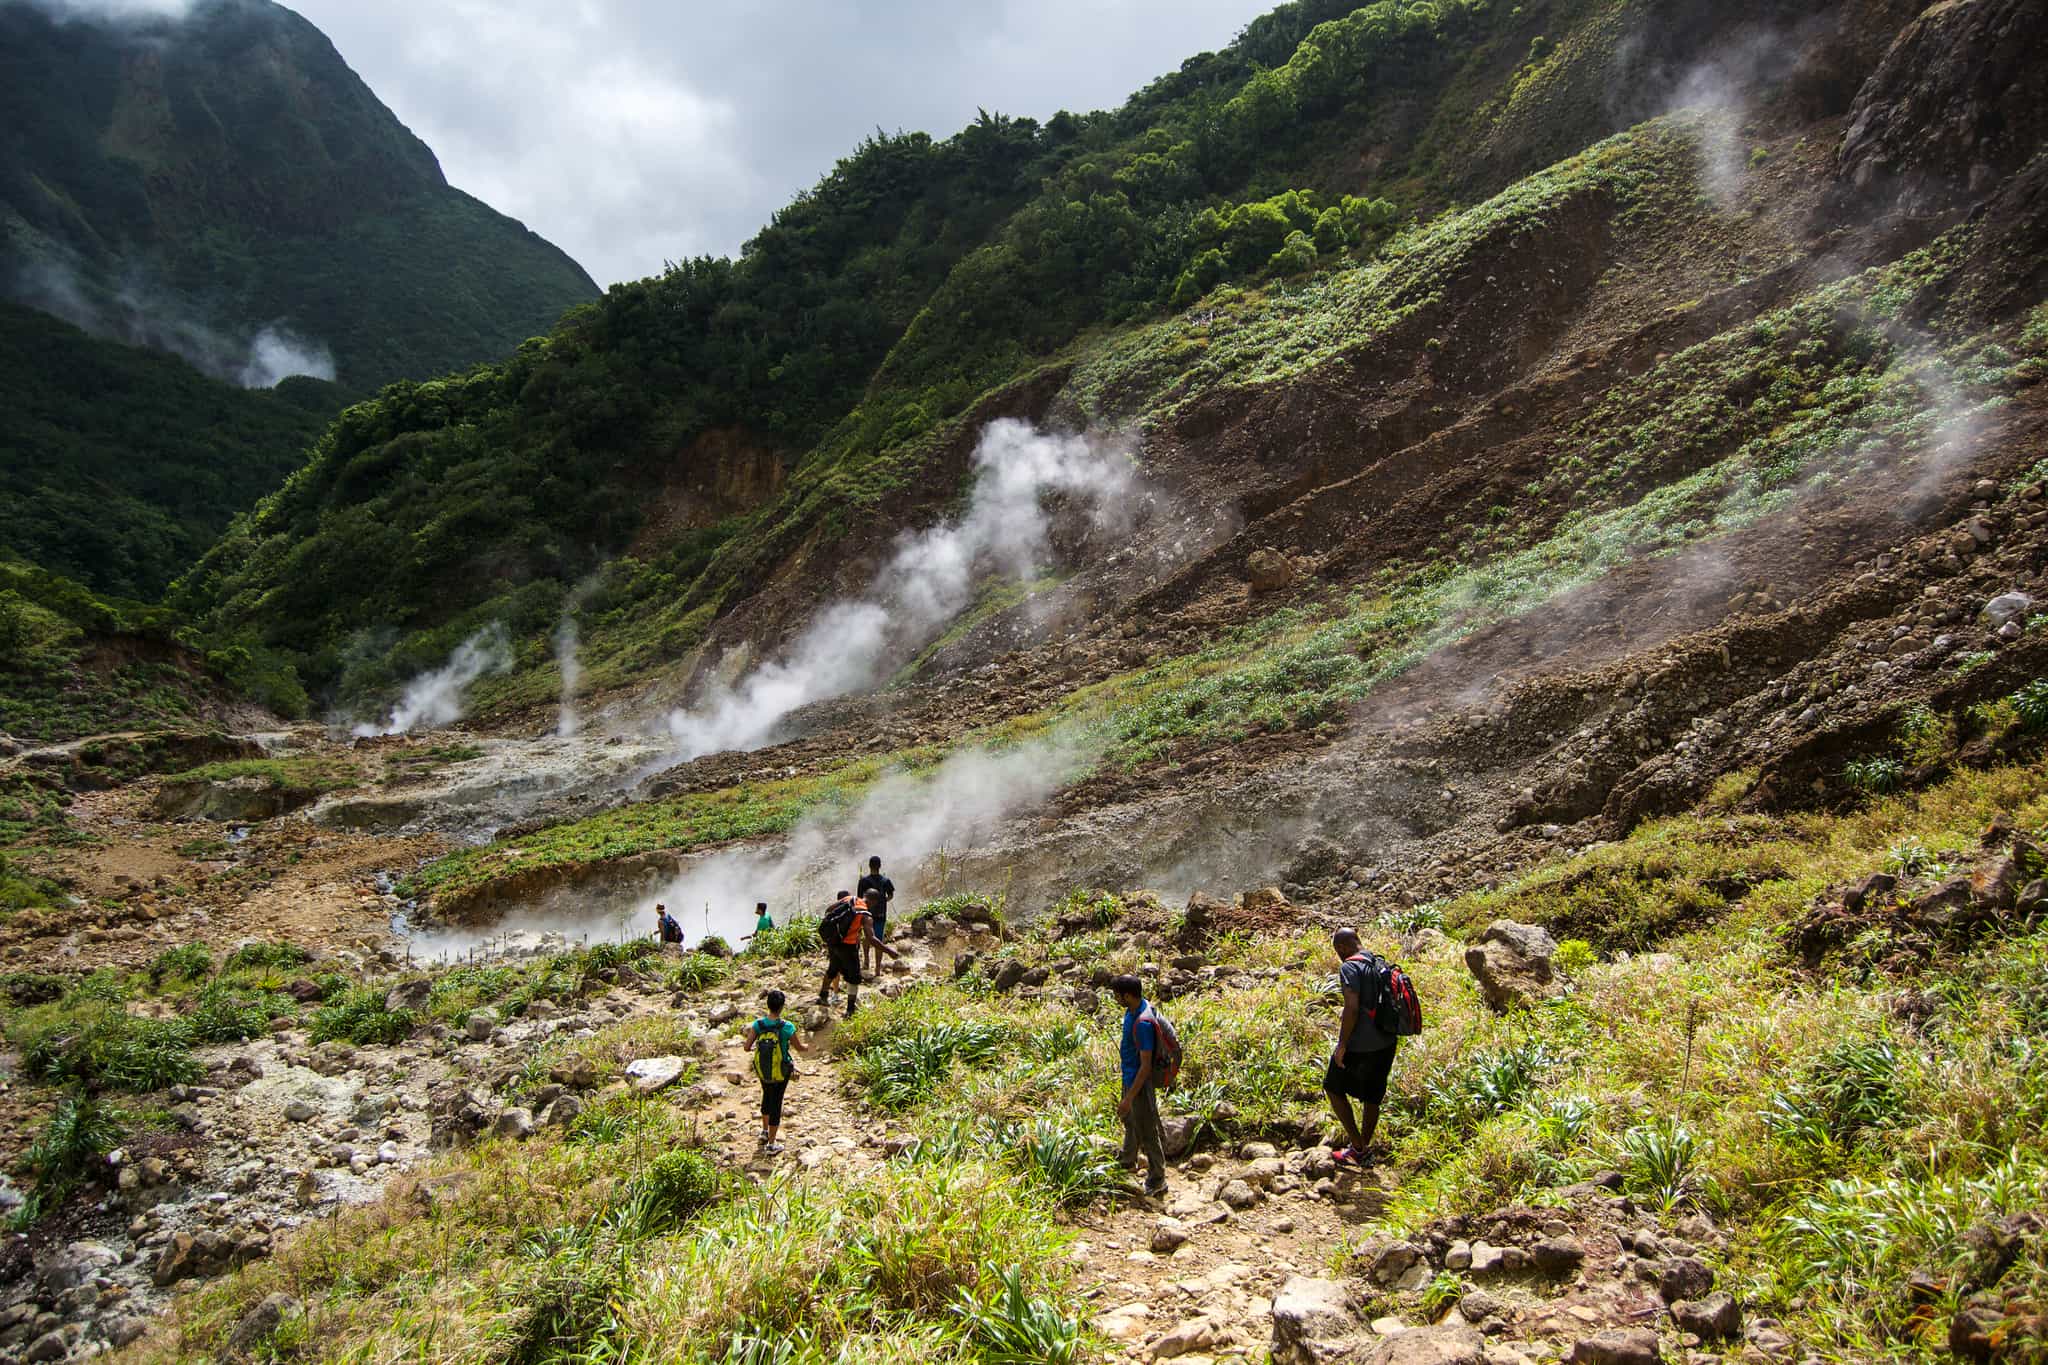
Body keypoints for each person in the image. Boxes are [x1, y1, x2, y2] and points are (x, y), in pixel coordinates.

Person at [1325, 927, 1398, 1166]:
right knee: (1373, 1096)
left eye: (1338, 951)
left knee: (1333, 1087)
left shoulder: (1349, 967)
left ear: (1343, 947)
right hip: (1386, 1041)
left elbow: (1352, 1008)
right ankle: (1363, 1149)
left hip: (1361, 1043)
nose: (1338, 955)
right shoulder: (1378, 962)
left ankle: (1357, 1145)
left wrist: (1342, 1045)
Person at [1109, 974, 1168, 1198]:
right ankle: (1127, 1160)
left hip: (1139, 1083)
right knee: (1131, 1121)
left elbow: (1145, 1066)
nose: (1115, 999)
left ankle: (1157, 1178)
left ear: (1127, 995)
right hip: (1130, 1077)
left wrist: (1129, 1097)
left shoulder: (1143, 1023)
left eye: (1117, 995)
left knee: (1147, 1129)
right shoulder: (1134, 1010)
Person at [743, 989, 806, 1152]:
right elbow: (799, 1047)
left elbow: (746, 1047)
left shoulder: (759, 1025)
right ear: (782, 1006)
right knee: (777, 1102)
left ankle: (764, 1132)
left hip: (763, 1069)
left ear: (768, 1005)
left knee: (766, 1096)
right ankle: (771, 1144)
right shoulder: (787, 1027)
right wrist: (808, 1047)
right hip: (781, 1070)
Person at [819, 891, 898, 1018]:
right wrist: (889, 951)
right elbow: (871, 939)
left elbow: (829, 910)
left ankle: (823, 996)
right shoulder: (865, 915)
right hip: (848, 947)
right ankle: (850, 1010)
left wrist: (836, 930)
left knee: (833, 969)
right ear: (874, 901)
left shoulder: (849, 899)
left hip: (834, 942)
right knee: (854, 977)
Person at [856, 856, 894, 975]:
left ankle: (866, 961)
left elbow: (859, 898)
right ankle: (877, 968)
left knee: (867, 937)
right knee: (879, 939)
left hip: (866, 914)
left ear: (869, 866)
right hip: (881, 914)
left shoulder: (863, 881)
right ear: (880, 866)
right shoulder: (886, 881)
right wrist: (883, 901)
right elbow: (891, 895)